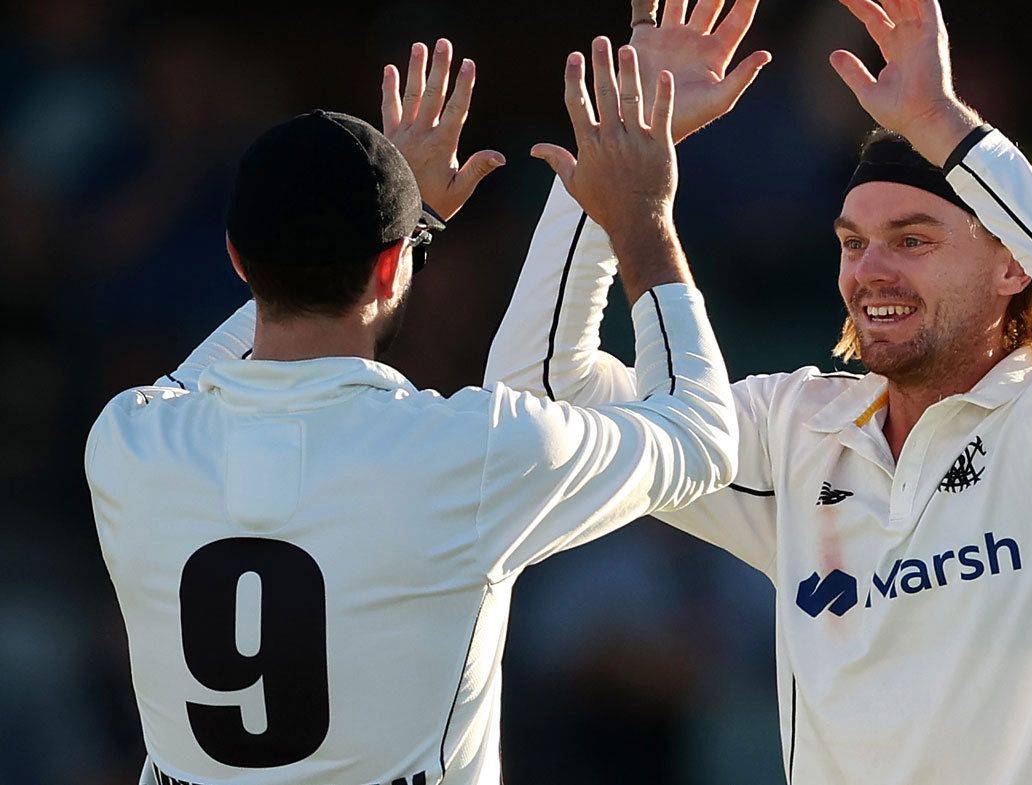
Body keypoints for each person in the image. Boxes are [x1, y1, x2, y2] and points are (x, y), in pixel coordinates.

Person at [485, 0, 1032, 782]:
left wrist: (944, 124)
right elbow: (540, 399)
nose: (870, 269)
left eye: (912, 239)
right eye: (853, 243)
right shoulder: (795, 433)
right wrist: (624, 147)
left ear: (1012, 264)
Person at [86, 40, 738, 785]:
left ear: (237, 259)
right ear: (394, 265)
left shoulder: (128, 438)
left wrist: (404, 225)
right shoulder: (468, 450)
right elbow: (703, 435)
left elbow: (213, 367)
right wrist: (644, 219)